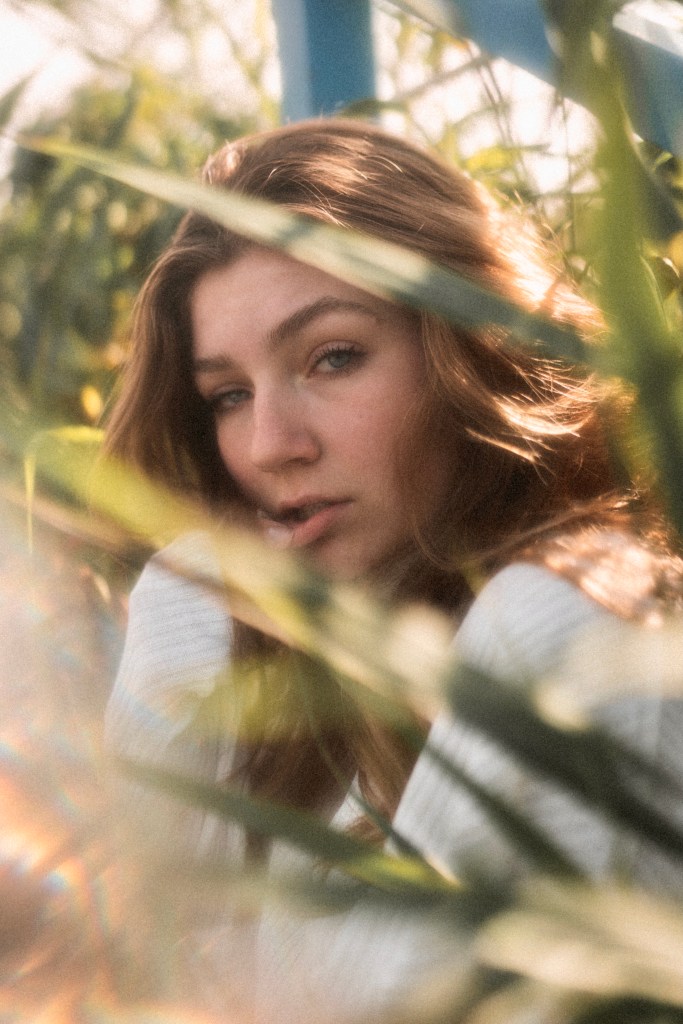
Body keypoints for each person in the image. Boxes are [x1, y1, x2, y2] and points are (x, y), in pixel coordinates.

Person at [104, 118, 683, 1022]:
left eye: (333, 357)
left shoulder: (570, 617)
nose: (269, 445)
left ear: (465, 345)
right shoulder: (283, 665)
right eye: (228, 395)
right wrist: (191, 604)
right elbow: (116, 962)